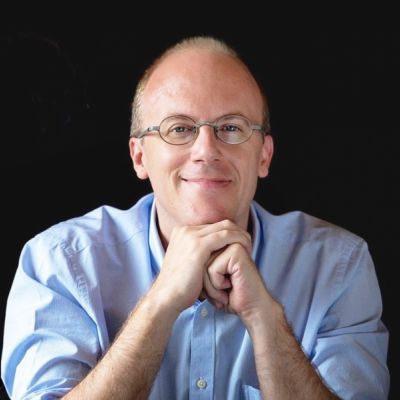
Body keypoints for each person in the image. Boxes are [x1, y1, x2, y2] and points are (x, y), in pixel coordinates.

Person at [1, 36, 389, 400]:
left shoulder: (339, 266)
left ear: (264, 155)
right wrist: (160, 302)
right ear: (140, 157)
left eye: (231, 128)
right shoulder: (59, 262)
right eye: (180, 129)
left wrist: (265, 319)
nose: (206, 150)